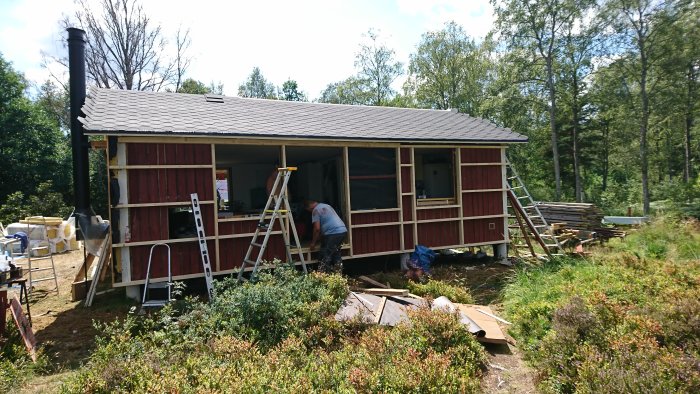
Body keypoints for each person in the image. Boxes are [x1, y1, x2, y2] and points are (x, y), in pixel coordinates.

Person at [304, 199, 347, 273]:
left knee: (325, 255)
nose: (310, 213)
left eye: (309, 211)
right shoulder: (327, 206)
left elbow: (317, 229)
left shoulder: (315, 210)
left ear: (309, 207)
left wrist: (313, 243)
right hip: (342, 231)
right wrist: (321, 238)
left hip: (333, 233)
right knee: (336, 252)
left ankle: (324, 276)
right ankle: (338, 275)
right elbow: (325, 224)